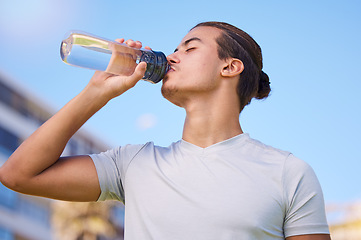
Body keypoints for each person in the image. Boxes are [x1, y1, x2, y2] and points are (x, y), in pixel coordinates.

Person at [0, 22, 331, 239]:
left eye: (189, 48)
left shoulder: (288, 173)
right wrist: (95, 94)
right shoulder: (132, 164)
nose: (172, 57)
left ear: (229, 67)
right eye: (175, 49)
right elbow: (18, 175)